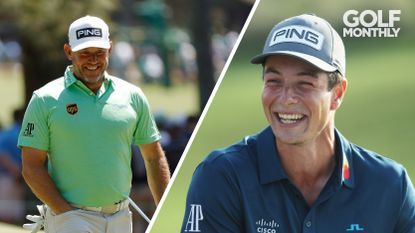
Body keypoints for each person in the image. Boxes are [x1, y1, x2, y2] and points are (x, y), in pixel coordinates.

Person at [181, 14, 415, 233]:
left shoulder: (391, 185)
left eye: (304, 84)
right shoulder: (222, 177)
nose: (286, 99)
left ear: (338, 93)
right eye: (274, 81)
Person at [18, 15, 170, 233]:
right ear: (68, 52)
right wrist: (66, 215)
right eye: (84, 54)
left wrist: (165, 211)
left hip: (120, 217)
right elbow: (31, 167)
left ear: (110, 48)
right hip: (70, 217)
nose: (93, 60)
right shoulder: (45, 99)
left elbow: (154, 158)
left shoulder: (132, 96)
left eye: (99, 53)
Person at [0, 108, 25, 224]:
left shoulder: (10, 132)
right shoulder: (14, 133)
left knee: (13, 216)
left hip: (12, 179)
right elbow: (2, 155)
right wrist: (17, 174)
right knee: (7, 217)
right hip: (8, 179)